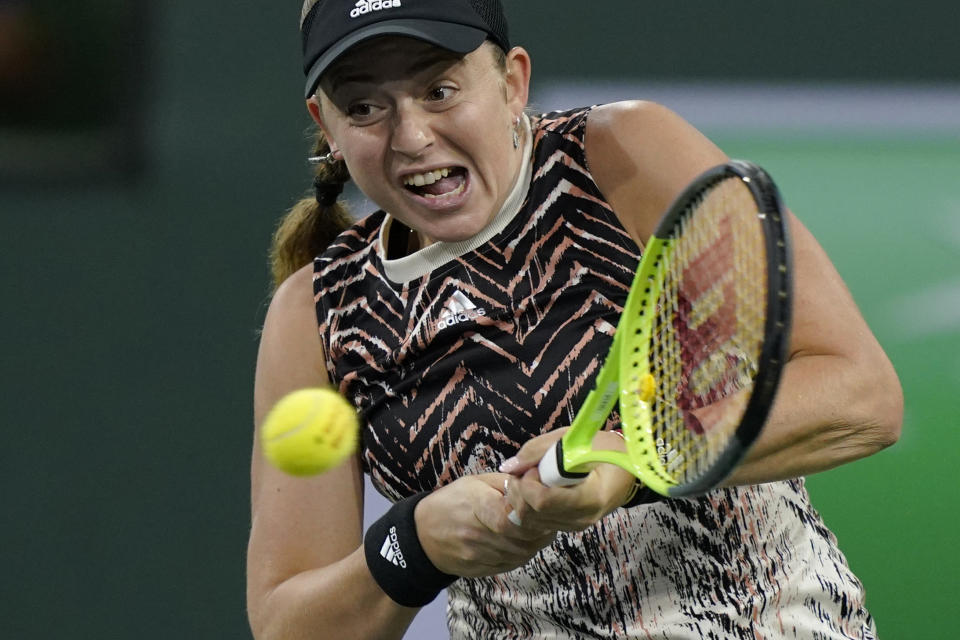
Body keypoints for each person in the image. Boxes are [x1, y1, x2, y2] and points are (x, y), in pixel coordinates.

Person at [246, 1, 903, 638]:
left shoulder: (620, 153)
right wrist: (415, 546)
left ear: (512, 83)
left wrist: (641, 463)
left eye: (441, 90)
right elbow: (289, 624)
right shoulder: (314, 313)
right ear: (325, 127)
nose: (413, 136)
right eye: (364, 108)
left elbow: (861, 397)